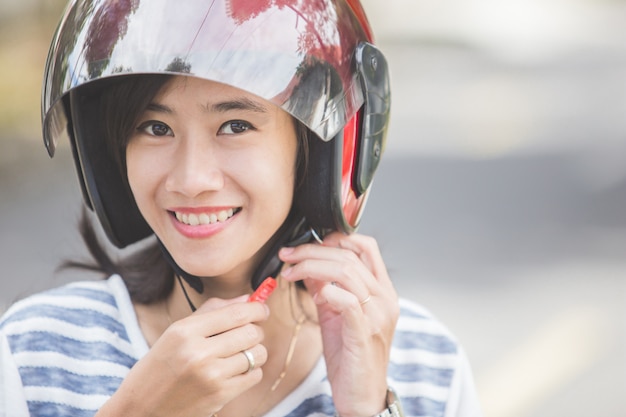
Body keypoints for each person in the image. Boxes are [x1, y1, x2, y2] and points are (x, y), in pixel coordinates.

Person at [0, 1, 482, 416]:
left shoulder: (426, 369)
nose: (191, 180)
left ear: (314, 151)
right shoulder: (32, 354)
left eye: (234, 126)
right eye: (155, 127)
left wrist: (370, 408)